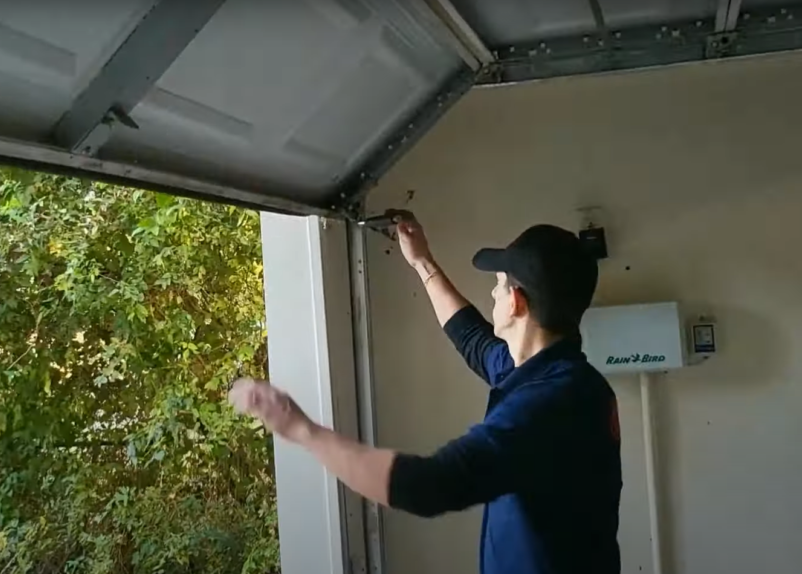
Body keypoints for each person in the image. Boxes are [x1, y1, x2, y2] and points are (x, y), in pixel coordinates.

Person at [229, 217, 622, 574]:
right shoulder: (558, 376)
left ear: (517, 302)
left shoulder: (547, 405)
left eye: (499, 284)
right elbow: (471, 337)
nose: (493, 293)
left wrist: (301, 430)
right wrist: (422, 262)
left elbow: (429, 486)